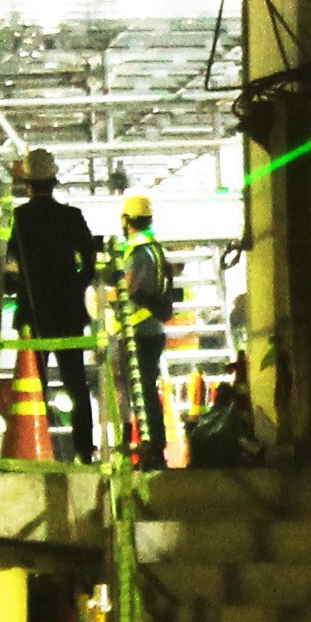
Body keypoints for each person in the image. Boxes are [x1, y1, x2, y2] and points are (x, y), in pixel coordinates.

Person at [0, 148, 102, 460]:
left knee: (34, 385)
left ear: (26, 185)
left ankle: (38, 447)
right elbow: (91, 264)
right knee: (75, 382)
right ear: (53, 182)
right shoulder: (71, 217)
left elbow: (2, 264)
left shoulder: (18, 219)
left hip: (32, 313)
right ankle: (84, 449)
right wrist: (74, 286)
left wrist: (19, 287)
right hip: (69, 314)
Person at [109, 190, 183, 465]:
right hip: (147, 332)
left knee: (141, 392)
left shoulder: (139, 251)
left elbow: (129, 288)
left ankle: (151, 448)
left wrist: (104, 297)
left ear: (127, 219)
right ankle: (148, 445)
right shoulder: (153, 248)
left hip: (139, 333)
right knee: (142, 391)